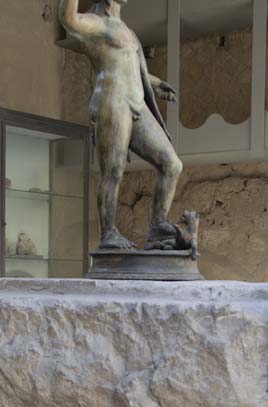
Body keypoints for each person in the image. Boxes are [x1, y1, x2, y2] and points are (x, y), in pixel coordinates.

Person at [60, 0, 185, 251]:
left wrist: (156, 83)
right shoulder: (96, 23)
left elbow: (128, 65)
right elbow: (68, 18)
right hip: (112, 102)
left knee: (172, 164)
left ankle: (158, 225)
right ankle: (108, 234)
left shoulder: (127, 30)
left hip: (136, 104)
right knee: (113, 171)